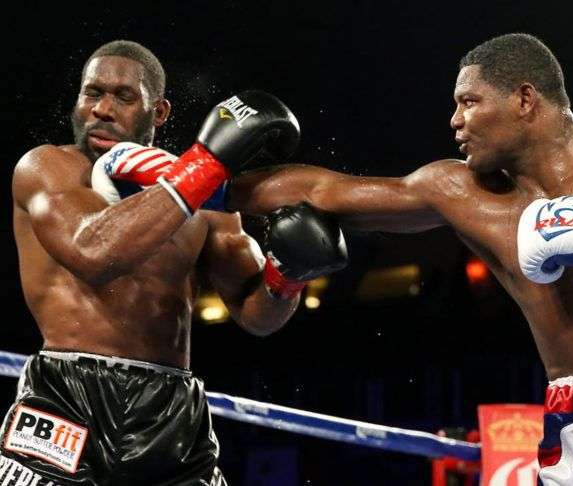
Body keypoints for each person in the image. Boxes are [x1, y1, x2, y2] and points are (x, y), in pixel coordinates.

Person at [227, 33, 573, 484]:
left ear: (525, 99)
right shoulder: (458, 192)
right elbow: (323, 190)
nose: (455, 120)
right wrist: (195, 179)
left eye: (469, 102)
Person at [4, 40, 347, 485]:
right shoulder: (46, 168)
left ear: (159, 112)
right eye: (92, 94)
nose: (102, 109)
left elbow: (255, 315)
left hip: (171, 413)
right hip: (64, 399)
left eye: (124, 97)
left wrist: (287, 276)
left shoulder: (207, 201)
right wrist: (204, 167)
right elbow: (94, 253)